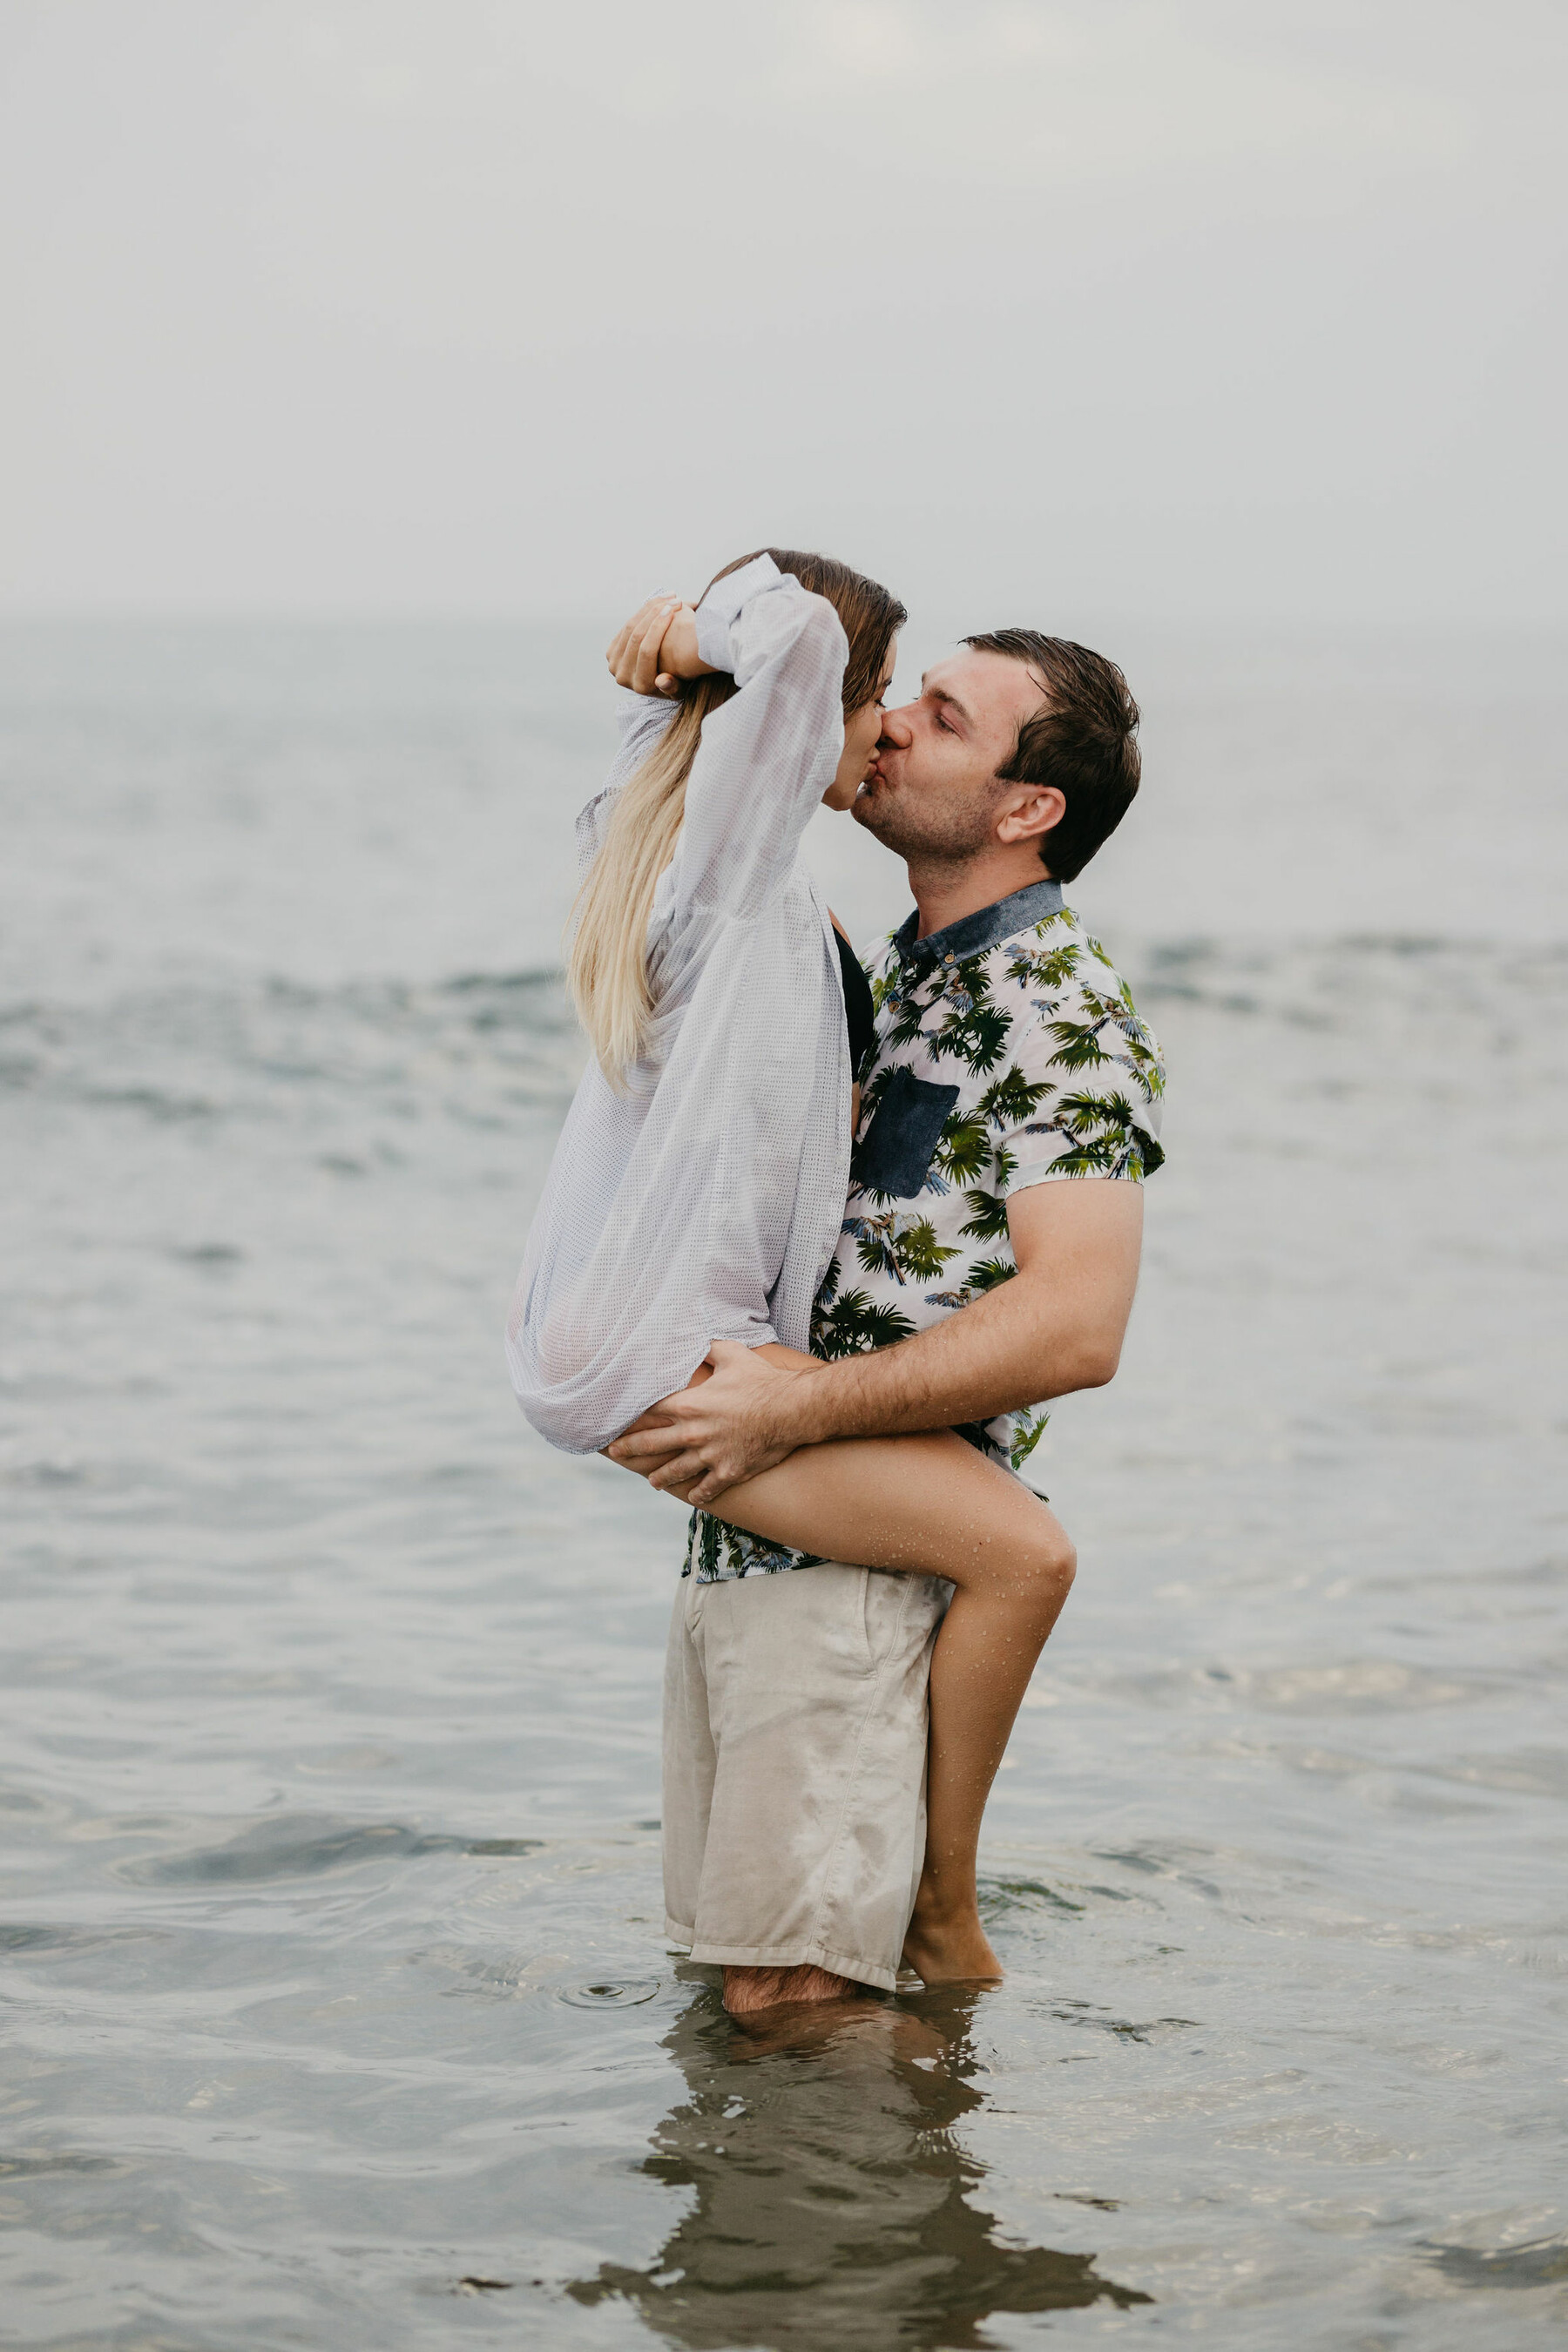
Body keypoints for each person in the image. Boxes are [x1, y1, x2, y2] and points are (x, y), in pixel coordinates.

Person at [510, 551, 1161, 2013]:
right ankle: (923, 2231)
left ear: (1025, 809)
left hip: (858, 1564)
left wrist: (795, 1416)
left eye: (943, 714)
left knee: (799, 2012)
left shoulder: (1054, 1004)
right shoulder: (890, 965)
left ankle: (916, 2188)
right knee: (756, 2006)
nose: (895, 723)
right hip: (752, 1538)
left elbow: (1078, 1324)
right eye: (900, 693)